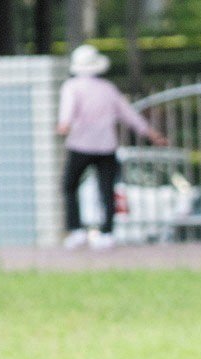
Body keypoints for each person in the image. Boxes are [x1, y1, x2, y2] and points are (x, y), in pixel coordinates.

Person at [56, 44, 167, 250]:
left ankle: (77, 230)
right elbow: (129, 115)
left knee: (69, 186)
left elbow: (67, 114)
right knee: (106, 189)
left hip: (81, 144)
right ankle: (107, 232)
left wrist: (64, 125)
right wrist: (151, 134)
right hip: (106, 145)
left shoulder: (72, 87)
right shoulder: (108, 88)